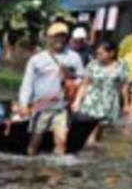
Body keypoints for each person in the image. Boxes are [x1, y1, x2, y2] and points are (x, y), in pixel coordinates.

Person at [18, 22, 85, 156]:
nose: (59, 39)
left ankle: (56, 174)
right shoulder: (36, 59)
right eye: (56, 36)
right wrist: (23, 105)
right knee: (35, 142)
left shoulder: (74, 57)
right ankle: (29, 170)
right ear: (48, 38)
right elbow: (27, 83)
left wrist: (72, 82)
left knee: (61, 142)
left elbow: (81, 80)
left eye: (62, 36)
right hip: (40, 108)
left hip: (62, 108)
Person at [72, 40, 128, 146]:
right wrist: (77, 101)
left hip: (110, 101)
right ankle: (89, 151)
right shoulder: (92, 65)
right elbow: (84, 84)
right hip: (92, 100)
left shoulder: (122, 65)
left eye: (101, 54)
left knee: (102, 127)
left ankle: (94, 148)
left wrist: (126, 103)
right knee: (92, 128)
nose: (98, 56)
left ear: (111, 53)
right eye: (97, 53)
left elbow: (124, 85)